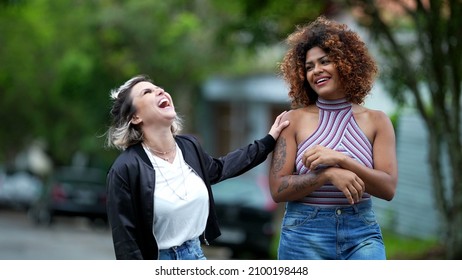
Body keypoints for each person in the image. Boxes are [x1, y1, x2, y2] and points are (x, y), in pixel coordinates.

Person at [105, 74, 289, 260]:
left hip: (195, 254)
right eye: (147, 92)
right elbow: (125, 242)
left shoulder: (189, 147)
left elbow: (223, 167)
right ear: (135, 117)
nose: (159, 90)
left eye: (158, 87)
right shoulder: (125, 168)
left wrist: (268, 141)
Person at [268, 16, 398, 260]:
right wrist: (326, 174)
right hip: (304, 233)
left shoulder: (378, 121)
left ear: (345, 63)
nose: (316, 70)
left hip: (361, 232)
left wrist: (343, 160)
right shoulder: (292, 121)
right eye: (309, 66)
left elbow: (388, 187)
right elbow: (278, 189)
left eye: (324, 61)